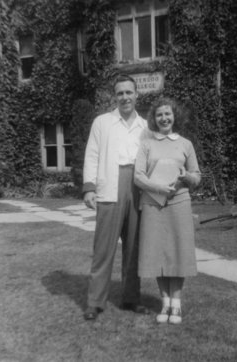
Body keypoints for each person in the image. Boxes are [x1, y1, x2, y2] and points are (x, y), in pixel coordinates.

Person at [82, 74, 150, 321]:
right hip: (110, 187)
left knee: (134, 248)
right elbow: (92, 155)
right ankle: (95, 302)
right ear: (115, 96)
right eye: (120, 93)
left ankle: (132, 298)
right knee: (103, 249)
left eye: (129, 92)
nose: (125, 97)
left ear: (136, 94)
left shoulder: (145, 126)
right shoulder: (102, 122)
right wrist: (89, 187)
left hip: (138, 188)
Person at [134, 97, 201, 324]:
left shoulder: (185, 144)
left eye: (168, 114)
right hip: (153, 203)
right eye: (159, 114)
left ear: (175, 116)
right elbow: (138, 177)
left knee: (178, 251)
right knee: (158, 252)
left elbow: (197, 177)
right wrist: (159, 187)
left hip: (179, 202)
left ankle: (177, 304)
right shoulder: (147, 144)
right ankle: (165, 303)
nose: (164, 118)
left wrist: (186, 176)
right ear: (153, 118)